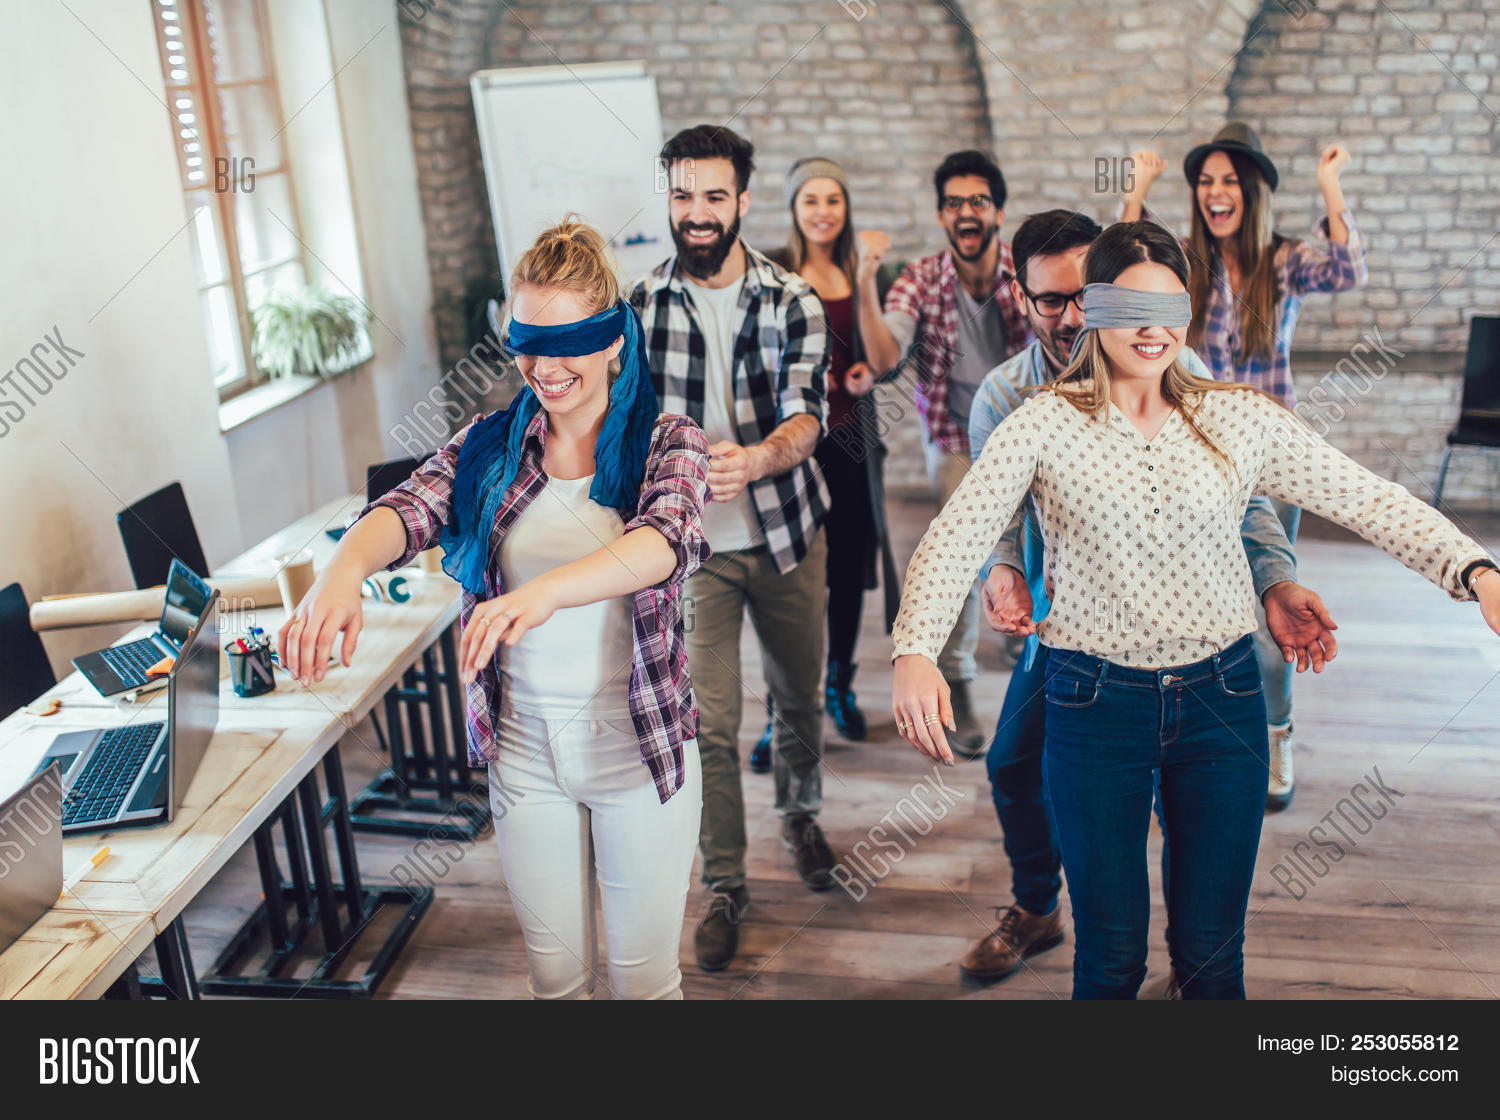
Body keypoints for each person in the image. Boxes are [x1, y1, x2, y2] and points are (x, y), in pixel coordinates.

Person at [891, 221, 1500, 999]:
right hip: (1092, 702)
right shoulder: (1040, 422)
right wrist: (916, 647)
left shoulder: (1236, 416)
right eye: (1129, 308)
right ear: (1093, 309)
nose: (1152, 329)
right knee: (1110, 960)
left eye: (1168, 307)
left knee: (1213, 960)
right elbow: (956, 535)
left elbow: (1366, 497)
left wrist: (1475, 571)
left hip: (1222, 698)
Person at [280, 218, 712, 1000]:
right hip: (524, 751)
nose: (544, 367)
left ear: (614, 339)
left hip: (636, 749)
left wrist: (542, 591)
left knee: (644, 985)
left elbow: (663, 542)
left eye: (568, 342)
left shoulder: (667, 440)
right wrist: (341, 571)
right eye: (527, 343)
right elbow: (408, 506)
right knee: (555, 981)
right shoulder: (491, 444)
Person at [959, 209, 1339, 985]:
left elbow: (1247, 500)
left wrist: (1275, 578)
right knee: (1011, 764)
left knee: (1185, 794)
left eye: (1086, 296)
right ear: (1021, 297)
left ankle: (1196, 951)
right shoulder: (1005, 396)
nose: (1073, 317)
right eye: (1051, 300)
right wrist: (1000, 571)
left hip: (1191, 641)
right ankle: (1038, 907)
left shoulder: (1176, 369)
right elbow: (990, 518)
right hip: (1069, 632)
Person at [629, 125, 834, 972]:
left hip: (786, 532)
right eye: (683, 195)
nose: (698, 212)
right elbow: (623, 428)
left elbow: (808, 417)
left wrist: (755, 458)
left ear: (743, 201)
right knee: (709, 723)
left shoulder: (794, 300)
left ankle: (801, 814)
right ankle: (724, 883)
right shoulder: (639, 305)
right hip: (692, 552)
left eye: (715, 195)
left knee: (798, 697)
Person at [1123, 121, 1368, 811]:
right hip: (1190, 460)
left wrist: (1329, 184)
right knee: (1185, 604)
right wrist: (1137, 188)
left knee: (1267, 606)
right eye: (1205, 182)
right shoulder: (1182, 264)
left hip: (1265, 466)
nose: (1215, 192)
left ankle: (1276, 733)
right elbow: (1120, 270)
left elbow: (1347, 270)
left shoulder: (1282, 260)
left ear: (1253, 190)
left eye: (1229, 181)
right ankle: (1182, 747)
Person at [855, 150, 1032, 757]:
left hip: (1028, 432)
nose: (965, 211)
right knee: (960, 558)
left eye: (977, 200)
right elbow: (885, 357)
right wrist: (865, 278)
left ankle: (1021, 633)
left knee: (1034, 541)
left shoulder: (1022, 271)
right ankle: (957, 678)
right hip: (955, 437)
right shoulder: (922, 278)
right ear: (941, 216)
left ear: (998, 212)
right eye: (954, 203)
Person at [757, 156, 900, 756]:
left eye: (833, 200)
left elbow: (885, 360)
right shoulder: (771, 271)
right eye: (810, 200)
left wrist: (865, 279)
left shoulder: (866, 269)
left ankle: (839, 684)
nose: (822, 212)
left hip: (851, 443)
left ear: (846, 207)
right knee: (789, 579)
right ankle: (785, 708)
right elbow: (758, 355)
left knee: (845, 573)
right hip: (795, 445)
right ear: (793, 208)